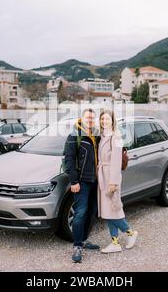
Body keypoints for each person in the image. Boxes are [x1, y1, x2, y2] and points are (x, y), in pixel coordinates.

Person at [63, 108, 101, 263]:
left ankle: (84, 240)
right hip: (82, 182)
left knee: (92, 212)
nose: (90, 120)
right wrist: (74, 182)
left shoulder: (97, 135)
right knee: (80, 213)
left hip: (95, 180)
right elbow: (69, 160)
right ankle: (77, 246)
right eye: (88, 118)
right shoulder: (74, 136)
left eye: (92, 118)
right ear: (82, 118)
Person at [97, 110, 138, 253]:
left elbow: (116, 161)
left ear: (112, 120)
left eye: (107, 119)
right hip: (103, 175)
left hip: (111, 177)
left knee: (114, 209)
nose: (104, 121)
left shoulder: (117, 136)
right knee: (108, 211)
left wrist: (113, 182)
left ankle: (131, 233)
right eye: (102, 119)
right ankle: (114, 242)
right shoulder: (103, 136)